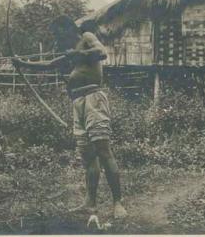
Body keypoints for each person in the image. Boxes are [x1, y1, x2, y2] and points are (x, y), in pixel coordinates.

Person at [12, 15, 128, 219]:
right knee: (88, 156)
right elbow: (49, 64)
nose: (58, 39)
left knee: (103, 150)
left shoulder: (86, 37)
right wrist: (21, 63)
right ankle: (90, 204)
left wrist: (78, 52)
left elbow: (101, 52)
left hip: (94, 99)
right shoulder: (72, 52)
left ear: (67, 29)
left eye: (58, 33)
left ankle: (117, 203)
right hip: (78, 103)